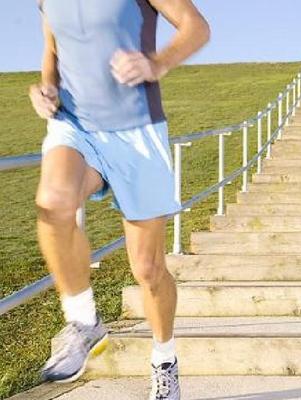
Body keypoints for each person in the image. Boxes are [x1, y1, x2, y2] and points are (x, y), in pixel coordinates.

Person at [29, 1, 210, 398]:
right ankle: (83, 321)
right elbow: (53, 51)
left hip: (137, 132)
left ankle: (164, 359)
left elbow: (196, 26)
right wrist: (45, 88)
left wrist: (157, 63)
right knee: (54, 202)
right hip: (75, 126)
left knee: (148, 269)